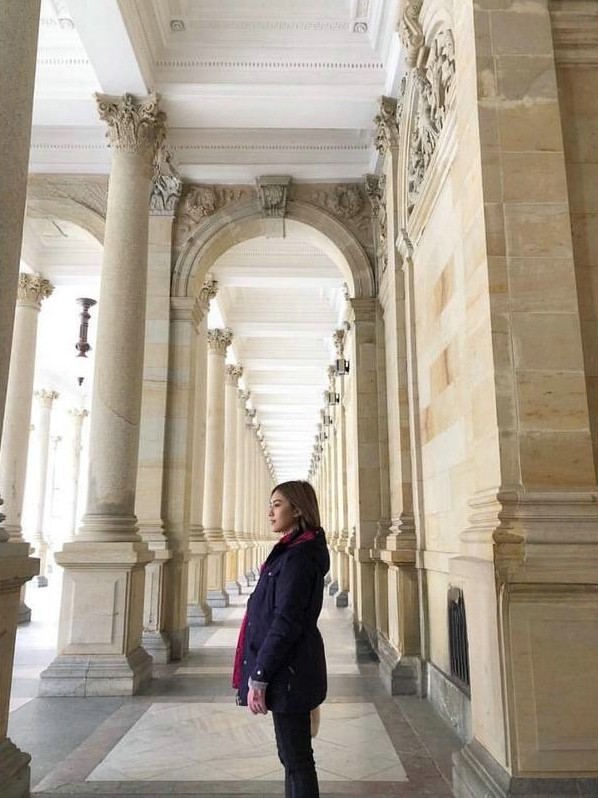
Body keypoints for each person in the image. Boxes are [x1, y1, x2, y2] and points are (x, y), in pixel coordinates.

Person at [233, 480, 329, 798]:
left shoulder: (298, 558)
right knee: (292, 758)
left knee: (297, 760)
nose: (270, 512)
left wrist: (259, 677)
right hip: (291, 668)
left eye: (277, 505)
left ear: (297, 510)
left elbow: (286, 622)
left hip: (290, 671)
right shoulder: (292, 551)